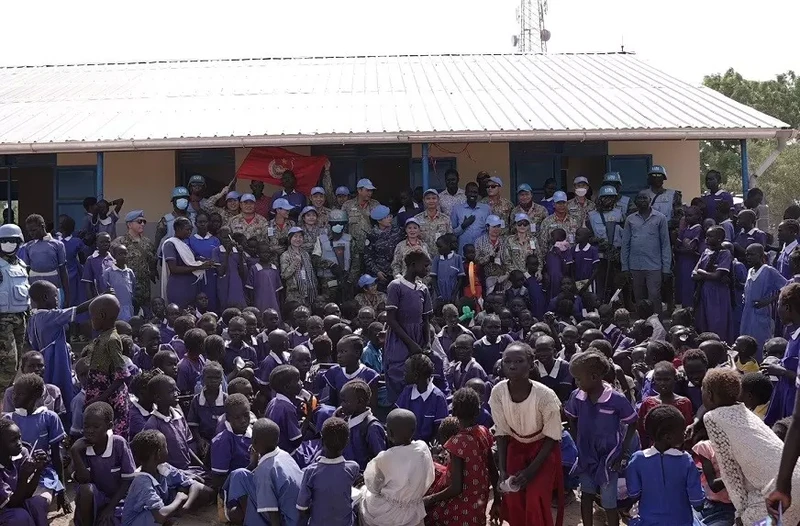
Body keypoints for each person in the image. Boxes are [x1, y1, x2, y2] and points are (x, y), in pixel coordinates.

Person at [696, 369, 800, 526]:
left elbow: (730, 472)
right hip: (793, 475)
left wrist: (740, 513)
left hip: (777, 488)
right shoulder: (746, 411)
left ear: (709, 394)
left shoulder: (712, 418)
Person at [490, 342, 564, 526]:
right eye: (507, 361)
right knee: (513, 496)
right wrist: (503, 470)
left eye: (519, 361)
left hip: (542, 449)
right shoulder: (498, 392)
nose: (512, 366)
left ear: (531, 364)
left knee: (536, 497)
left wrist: (531, 471)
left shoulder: (546, 396)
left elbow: (552, 436)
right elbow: (501, 433)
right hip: (515, 447)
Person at [565, 351, 637, 526]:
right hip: (586, 455)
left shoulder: (616, 399)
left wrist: (622, 452)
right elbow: (571, 418)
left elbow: (632, 422)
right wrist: (578, 442)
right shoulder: (577, 396)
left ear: (594, 376)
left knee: (609, 502)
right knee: (587, 495)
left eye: (579, 379)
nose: (576, 383)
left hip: (609, 457)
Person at [424, 388, 497, 525]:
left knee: (431, 516)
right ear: (477, 411)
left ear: (454, 411)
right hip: (479, 500)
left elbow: (456, 488)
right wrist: (497, 501)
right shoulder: (484, 431)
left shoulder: (457, 442)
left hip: (461, 504)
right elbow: (493, 470)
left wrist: (430, 499)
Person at [626, 405, 705, 526]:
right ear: (668, 437)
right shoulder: (686, 461)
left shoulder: (637, 459)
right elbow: (698, 503)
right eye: (682, 430)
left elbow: (633, 494)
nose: (685, 433)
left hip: (648, 522)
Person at [359, 408, 435, 526]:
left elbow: (373, 486)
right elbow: (429, 476)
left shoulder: (386, 457)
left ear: (389, 432)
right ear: (414, 430)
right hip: (414, 507)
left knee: (362, 498)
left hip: (389, 512)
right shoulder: (423, 448)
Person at [223, 418, 303, 526]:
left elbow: (273, 512)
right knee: (240, 474)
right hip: (300, 516)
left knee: (239, 476)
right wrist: (253, 463)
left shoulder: (264, 471)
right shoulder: (284, 455)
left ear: (254, 441)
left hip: (287, 521)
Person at [70, 401, 136, 526]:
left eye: (96, 427)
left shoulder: (118, 444)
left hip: (117, 500)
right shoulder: (80, 446)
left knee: (111, 521)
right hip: (93, 500)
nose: (89, 431)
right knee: (85, 489)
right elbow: (84, 479)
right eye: (86, 426)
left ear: (109, 426)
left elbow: (127, 480)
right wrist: (75, 452)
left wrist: (109, 508)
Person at [384, 251, 433, 403]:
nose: (427, 270)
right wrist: (411, 344)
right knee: (398, 375)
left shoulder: (423, 289)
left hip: (418, 339)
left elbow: (425, 320)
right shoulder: (396, 286)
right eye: (425, 266)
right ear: (413, 265)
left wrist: (428, 343)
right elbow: (391, 319)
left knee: (418, 377)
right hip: (400, 339)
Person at [120, 430, 195, 526]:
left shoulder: (163, 468)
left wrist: (186, 504)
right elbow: (160, 516)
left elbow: (192, 484)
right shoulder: (141, 481)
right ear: (158, 453)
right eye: (165, 446)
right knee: (159, 511)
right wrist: (179, 499)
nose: (167, 449)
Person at [297, 417, 360, 526]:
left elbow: (302, 508)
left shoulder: (310, 472)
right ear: (347, 442)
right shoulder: (353, 468)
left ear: (321, 441)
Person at [83, 295, 131, 437]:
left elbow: (122, 374)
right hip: (101, 395)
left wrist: (101, 398)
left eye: (93, 317)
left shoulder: (112, 340)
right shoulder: (103, 336)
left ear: (102, 316)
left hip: (111, 398)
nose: (91, 320)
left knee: (112, 435)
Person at [621, 191, 671, 316]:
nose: (642, 200)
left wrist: (666, 268)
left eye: (645, 198)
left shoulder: (660, 218)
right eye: (639, 198)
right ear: (636, 201)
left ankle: (656, 326)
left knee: (654, 296)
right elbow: (625, 244)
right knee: (639, 297)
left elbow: (665, 244)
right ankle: (641, 327)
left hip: (654, 266)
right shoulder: (630, 219)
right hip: (635, 266)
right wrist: (625, 267)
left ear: (650, 200)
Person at [0, 417, 50, 526]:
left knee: (38, 503)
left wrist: (38, 469)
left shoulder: (21, 453)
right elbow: (12, 503)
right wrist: (23, 476)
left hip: (16, 502)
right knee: (20, 517)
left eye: (20, 438)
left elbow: (28, 494)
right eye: (13, 440)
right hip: (4, 509)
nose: (19, 443)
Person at [763, 283, 800, 426]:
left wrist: (781, 371)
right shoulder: (793, 335)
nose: (777, 310)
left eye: (778, 305)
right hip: (787, 401)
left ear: (787, 308)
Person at [741, 243, 787, 356]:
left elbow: (786, 287)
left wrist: (769, 300)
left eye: (752, 255)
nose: (748, 257)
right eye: (747, 255)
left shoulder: (769, 271)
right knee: (746, 342)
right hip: (747, 314)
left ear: (761, 255)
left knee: (760, 343)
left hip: (760, 314)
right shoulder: (750, 270)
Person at [160, 216, 214, 310]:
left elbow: (193, 260)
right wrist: (198, 267)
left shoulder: (184, 244)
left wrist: (203, 262)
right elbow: (174, 269)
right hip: (179, 287)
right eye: (187, 229)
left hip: (191, 287)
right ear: (178, 229)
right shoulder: (170, 244)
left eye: (191, 229)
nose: (190, 232)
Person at [692, 226, 734, 344]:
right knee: (703, 322)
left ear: (720, 238)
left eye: (710, 236)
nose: (707, 239)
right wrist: (707, 274)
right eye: (706, 236)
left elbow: (718, 275)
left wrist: (702, 272)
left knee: (717, 322)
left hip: (718, 293)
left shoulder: (724, 253)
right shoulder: (706, 252)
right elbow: (694, 274)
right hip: (704, 291)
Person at [0, 223, 29, 391]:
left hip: (21, 317)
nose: (8, 244)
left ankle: (7, 395)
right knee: (8, 362)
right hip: (3, 319)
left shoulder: (22, 265)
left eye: (12, 240)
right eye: (4, 241)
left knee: (17, 361)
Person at [19, 214, 69, 306]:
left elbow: (63, 270)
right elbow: (26, 270)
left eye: (34, 230)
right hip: (34, 285)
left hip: (54, 284)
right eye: (29, 231)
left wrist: (67, 295)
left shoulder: (57, 245)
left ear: (42, 226)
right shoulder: (28, 246)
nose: (31, 234)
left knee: (54, 311)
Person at [112, 210, 155, 315]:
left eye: (144, 222)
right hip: (128, 287)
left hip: (145, 289)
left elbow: (152, 261)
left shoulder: (147, 242)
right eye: (139, 221)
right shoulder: (119, 242)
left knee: (146, 317)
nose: (142, 224)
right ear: (129, 224)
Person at [587, 185, 624, 301]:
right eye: (605, 197)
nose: (609, 200)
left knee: (617, 285)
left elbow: (626, 235)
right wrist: (598, 241)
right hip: (600, 257)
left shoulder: (620, 214)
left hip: (617, 256)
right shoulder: (591, 216)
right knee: (601, 285)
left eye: (612, 197)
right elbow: (588, 237)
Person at [342, 179, 380, 283]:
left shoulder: (375, 204)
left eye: (371, 191)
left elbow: (381, 225)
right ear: (359, 190)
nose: (370, 193)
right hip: (353, 248)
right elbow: (343, 227)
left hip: (371, 248)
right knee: (352, 276)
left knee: (370, 276)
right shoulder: (347, 205)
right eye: (367, 190)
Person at [187, 211, 221, 313]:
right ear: (195, 223)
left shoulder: (215, 240)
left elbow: (219, 258)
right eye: (200, 222)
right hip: (196, 276)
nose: (202, 224)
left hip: (211, 276)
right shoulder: (190, 240)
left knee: (211, 301)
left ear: (208, 223)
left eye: (205, 222)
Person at [673, 205, 703, 308]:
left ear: (698, 216)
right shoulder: (685, 229)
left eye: (690, 215)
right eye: (686, 215)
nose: (687, 218)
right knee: (681, 286)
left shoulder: (698, 229)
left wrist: (682, 249)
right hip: (682, 262)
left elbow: (691, 249)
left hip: (691, 263)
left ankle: (690, 311)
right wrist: (683, 248)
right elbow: (676, 246)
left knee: (689, 287)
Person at [280, 227, 318, 304]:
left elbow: (311, 272)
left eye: (300, 237)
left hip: (309, 291)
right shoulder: (285, 255)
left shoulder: (305, 253)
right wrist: (295, 263)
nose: (298, 239)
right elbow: (284, 275)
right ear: (290, 238)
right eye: (295, 236)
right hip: (294, 294)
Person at [451, 182, 491, 253]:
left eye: (475, 192)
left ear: (478, 194)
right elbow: (452, 233)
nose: (472, 194)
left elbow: (490, 230)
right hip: (463, 252)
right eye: (470, 192)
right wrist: (463, 226)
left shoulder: (486, 209)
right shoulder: (457, 209)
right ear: (465, 193)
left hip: (481, 252)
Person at [475, 215, 508, 294]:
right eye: (494, 227)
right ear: (487, 227)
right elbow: (476, 259)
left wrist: (507, 274)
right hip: (487, 275)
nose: (496, 229)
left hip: (503, 274)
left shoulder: (505, 241)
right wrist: (488, 258)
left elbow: (509, 260)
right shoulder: (479, 241)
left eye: (498, 226)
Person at [154, 186, 193, 251]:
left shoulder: (194, 219)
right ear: (173, 202)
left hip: (190, 256)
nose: (182, 200)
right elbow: (157, 242)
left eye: (184, 198)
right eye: (179, 198)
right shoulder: (165, 221)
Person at [415, 189, 452, 256]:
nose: (431, 201)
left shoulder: (446, 219)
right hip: (423, 258)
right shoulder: (417, 219)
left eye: (434, 198)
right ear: (424, 201)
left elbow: (450, 239)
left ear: (438, 200)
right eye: (428, 198)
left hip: (441, 257)